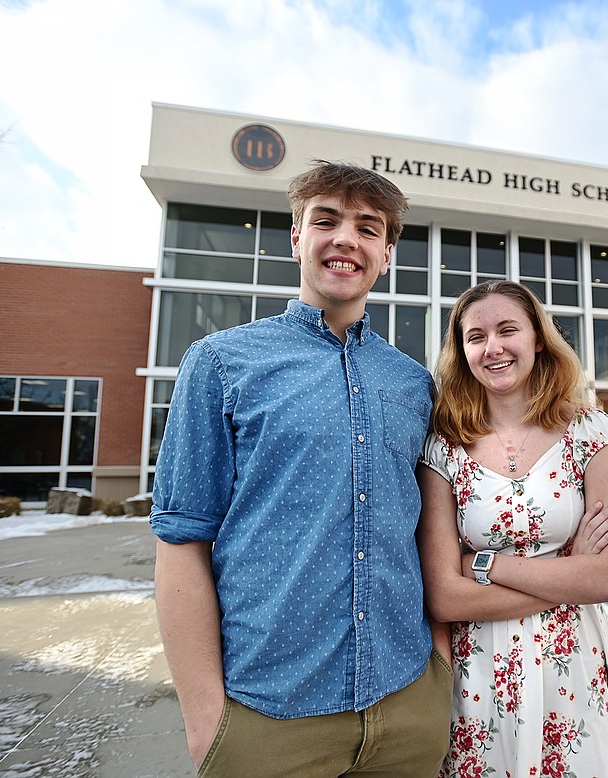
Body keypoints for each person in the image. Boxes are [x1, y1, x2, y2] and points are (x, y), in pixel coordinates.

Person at [150, 161, 451, 776]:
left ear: (387, 254)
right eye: (327, 220)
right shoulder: (220, 363)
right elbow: (181, 543)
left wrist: (437, 674)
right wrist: (205, 715)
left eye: (369, 228)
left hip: (407, 707)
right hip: (267, 718)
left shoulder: (415, 384)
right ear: (296, 238)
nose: (347, 238)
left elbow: (427, 534)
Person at [417, 280, 608, 777]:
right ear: (462, 351)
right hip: (480, 678)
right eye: (475, 336)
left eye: (507, 329)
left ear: (538, 338)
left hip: (572, 666)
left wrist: (484, 564)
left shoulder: (592, 432)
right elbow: (446, 598)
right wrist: (568, 573)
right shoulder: (444, 448)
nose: (492, 347)